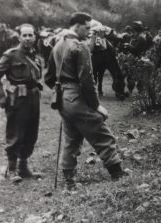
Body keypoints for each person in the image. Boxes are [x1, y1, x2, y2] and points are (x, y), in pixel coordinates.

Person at [45, 12, 128, 190]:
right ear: (77, 26)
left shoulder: (58, 44)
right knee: (102, 134)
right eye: (87, 28)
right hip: (77, 97)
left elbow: (49, 77)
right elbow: (87, 81)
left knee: (71, 140)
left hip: (63, 99)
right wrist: (97, 106)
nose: (89, 32)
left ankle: (69, 182)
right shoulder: (80, 47)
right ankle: (117, 173)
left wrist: (62, 90)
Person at [0, 24, 44, 183]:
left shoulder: (34, 54)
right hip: (18, 100)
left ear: (34, 37)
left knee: (31, 133)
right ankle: (12, 169)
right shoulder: (11, 55)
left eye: (30, 35)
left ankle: (23, 167)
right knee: (16, 133)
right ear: (19, 37)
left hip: (33, 97)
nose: (28, 38)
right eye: (24, 35)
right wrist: (1, 97)